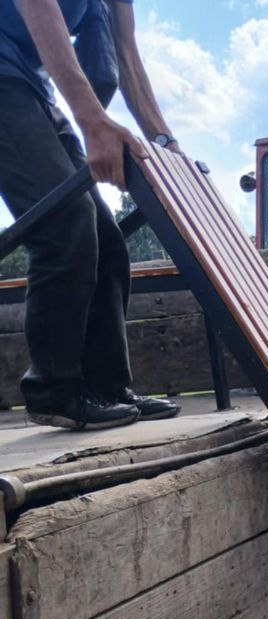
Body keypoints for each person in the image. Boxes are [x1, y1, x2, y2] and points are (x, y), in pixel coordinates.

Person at [0, 0, 179, 430]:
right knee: (65, 221)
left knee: (106, 237)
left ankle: (106, 387)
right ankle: (53, 391)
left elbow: (124, 54)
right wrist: (92, 121)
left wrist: (167, 147)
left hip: (31, 85)